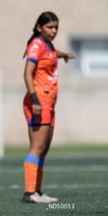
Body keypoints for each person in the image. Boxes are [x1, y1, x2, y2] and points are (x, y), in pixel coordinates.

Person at [22, 11, 75, 203]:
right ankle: (29, 193)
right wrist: (35, 101)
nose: (53, 31)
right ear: (39, 28)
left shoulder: (47, 45)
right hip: (39, 102)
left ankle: (37, 191)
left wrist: (64, 55)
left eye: (56, 28)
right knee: (36, 148)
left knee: (43, 149)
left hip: (49, 103)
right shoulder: (36, 44)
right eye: (50, 27)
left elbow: (51, 55)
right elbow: (28, 74)